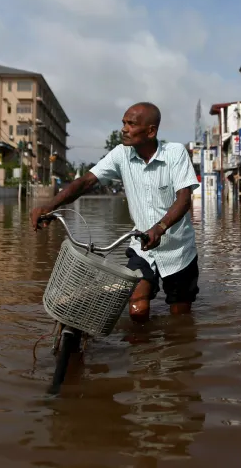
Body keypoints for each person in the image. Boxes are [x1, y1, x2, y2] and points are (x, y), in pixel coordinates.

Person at [30, 102, 200, 322]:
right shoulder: (121, 154)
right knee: (137, 305)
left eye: (131, 124)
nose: (124, 129)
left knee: (180, 317)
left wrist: (160, 228)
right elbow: (85, 182)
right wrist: (49, 206)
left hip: (179, 250)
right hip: (143, 246)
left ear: (150, 131)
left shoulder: (175, 153)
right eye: (123, 123)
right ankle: (142, 351)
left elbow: (184, 199)